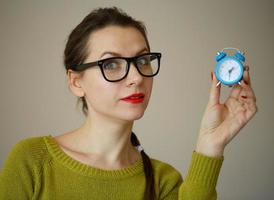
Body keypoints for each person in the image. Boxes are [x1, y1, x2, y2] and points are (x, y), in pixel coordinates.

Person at [0, 7, 257, 200]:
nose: (136, 77)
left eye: (143, 60)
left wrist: (209, 146)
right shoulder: (32, 162)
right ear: (76, 81)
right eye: (111, 64)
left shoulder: (163, 181)